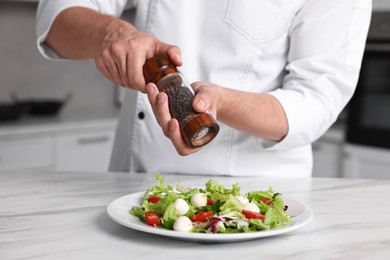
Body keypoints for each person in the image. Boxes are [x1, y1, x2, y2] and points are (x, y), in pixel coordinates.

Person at [36, 0, 372, 177]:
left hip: (250, 198)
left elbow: (316, 100)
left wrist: (220, 104)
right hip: (132, 188)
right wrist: (109, 34)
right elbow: (56, 20)